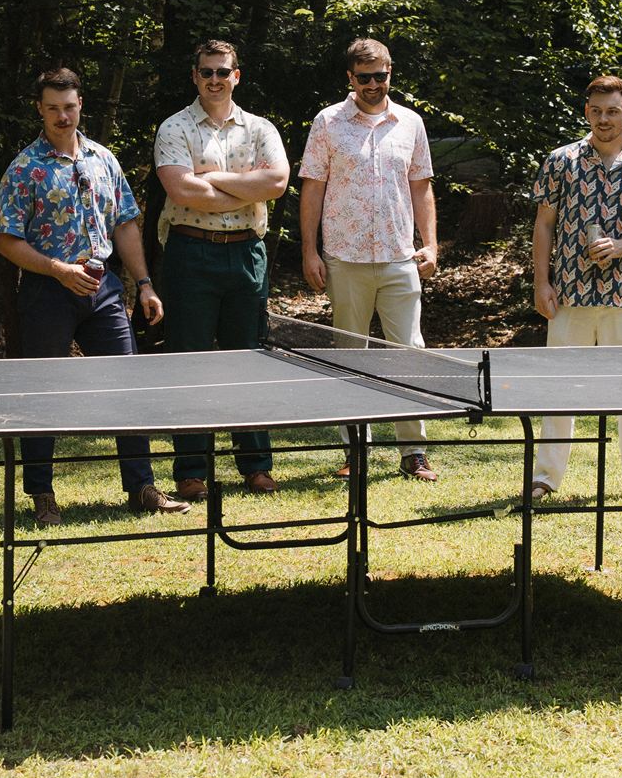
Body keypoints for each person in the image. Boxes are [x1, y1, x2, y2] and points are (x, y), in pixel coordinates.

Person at [0, 67, 189, 526]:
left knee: (127, 385)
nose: (63, 116)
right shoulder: (25, 168)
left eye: (70, 106)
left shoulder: (104, 159)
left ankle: (141, 487)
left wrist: (143, 284)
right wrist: (57, 270)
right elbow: (6, 239)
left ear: (81, 106)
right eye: (53, 108)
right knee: (43, 394)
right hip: (48, 289)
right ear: (40, 110)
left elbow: (124, 224)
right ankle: (41, 494)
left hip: (103, 291)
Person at [529, 75, 622, 504]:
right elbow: (544, 224)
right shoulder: (562, 161)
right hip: (570, 295)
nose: (604, 119)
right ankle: (546, 478)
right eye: (596, 111)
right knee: (561, 389)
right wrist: (542, 282)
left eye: (612, 111)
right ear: (586, 113)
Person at [298, 37, 441, 481]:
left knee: (408, 354)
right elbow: (312, 187)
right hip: (345, 257)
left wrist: (431, 244)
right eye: (365, 78)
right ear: (350, 78)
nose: (375, 84)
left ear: (390, 73)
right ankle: (355, 450)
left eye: (382, 75)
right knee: (350, 355)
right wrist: (309, 251)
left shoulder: (410, 123)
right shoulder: (327, 122)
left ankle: (413, 452)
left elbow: (421, 186)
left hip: (400, 257)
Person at [155, 39, 292, 499]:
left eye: (223, 71)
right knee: (189, 362)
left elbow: (277, 181)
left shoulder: (259, 128)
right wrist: (245, 188)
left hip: (246, 252)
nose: (215, 79)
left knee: (248, 358)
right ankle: (191, 470)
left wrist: (209, 177)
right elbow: (182, 191)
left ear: (237, 75)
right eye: (206, 72)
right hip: (190, 252)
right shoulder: (174, 127)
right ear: (195, 76)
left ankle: (255, 465)